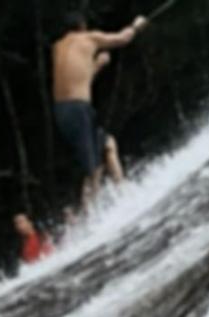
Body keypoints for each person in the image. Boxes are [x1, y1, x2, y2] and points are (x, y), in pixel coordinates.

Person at [51, 11, 148, 211]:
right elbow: (123, 38)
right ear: (82, 26)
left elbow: (77, 81)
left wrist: (97, 65)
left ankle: (124, 193)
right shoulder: (89, 38)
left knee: (108, 145)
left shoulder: (57, 47)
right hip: (78, 110)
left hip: (63, 111)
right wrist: (137, 25)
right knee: (93, 168)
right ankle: (90, 217)